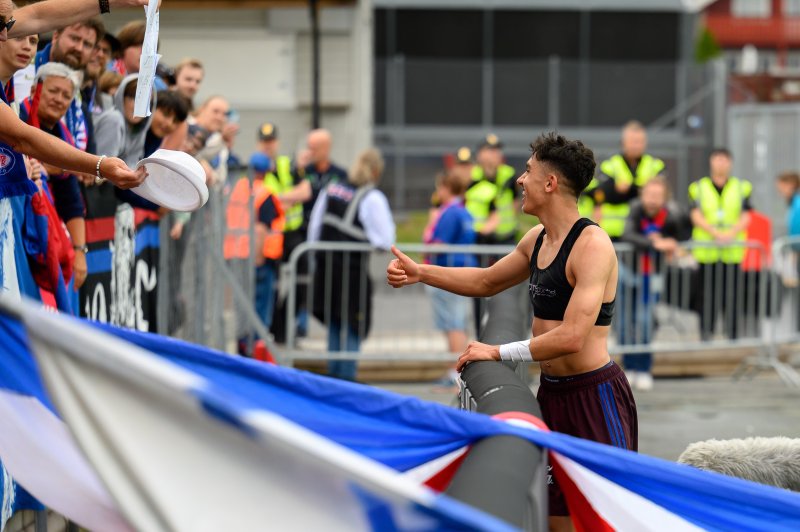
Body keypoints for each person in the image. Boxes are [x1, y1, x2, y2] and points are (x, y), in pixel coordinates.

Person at [387, 132, 636, 530]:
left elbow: (573, 336)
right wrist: (421, 273)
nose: (520, 180)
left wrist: (498, 352)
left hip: (594, 396)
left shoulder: (592, 245)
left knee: (606, 521)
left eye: (528, 171)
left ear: (550, 183)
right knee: (556, 522)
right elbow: (486, 281)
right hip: (553, 395)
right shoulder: (536, 239)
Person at [309, 148, 395, 381]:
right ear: (377, 171)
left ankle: (334, 377)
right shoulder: (372, 197)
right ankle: (346, 378)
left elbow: (314, 229)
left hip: (327, 268)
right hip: (352, 271)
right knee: (353, 323)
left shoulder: (332, 188)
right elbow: (385, 240)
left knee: (335, 321)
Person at [20, 63, 89, 301]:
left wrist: (79, 252)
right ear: (34, 90)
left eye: (66, 95)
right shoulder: (17, 119)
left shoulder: (64, 136)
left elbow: (71, 199)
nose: (59, 99)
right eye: (53, 91)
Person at [619, 177, 684, 391]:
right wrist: (655, 242)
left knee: (645, 322)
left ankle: (644, 368)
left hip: (652, 276)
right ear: (642, 195)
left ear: (665, 198)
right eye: (649, 195)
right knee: (624, 324)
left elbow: (680, 237)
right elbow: (627, 235)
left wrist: (672, 244)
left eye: (658, 196)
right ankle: (628, 367)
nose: (652, 200)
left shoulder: (671, 217)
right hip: (628, 272)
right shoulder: (635, 210)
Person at [224, 152, 285, 356]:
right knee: (258, 312)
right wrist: (258, 261)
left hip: (234, 256)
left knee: (242, 309)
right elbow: (260, 230)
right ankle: (254, 353)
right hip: (256, 259)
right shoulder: (264, 193)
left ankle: (244, 349)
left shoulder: (235, 189)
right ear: (266, 172)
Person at [688, 148, 752, 340]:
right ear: (711, 162)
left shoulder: (742, 187)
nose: (720, 163)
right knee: (706, 296)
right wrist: (715, 232)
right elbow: (695, 214)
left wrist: (731, 233)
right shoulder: (698, 187)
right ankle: (706, 335)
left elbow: (746, 214)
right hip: (707, 251)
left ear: (730, 163)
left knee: (732, 296)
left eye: (724, 160)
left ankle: (732, 337)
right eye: (717, 159)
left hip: (732, 251)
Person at [423, 171, 476, 388]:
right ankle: (456, 372)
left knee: (453, 323)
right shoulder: (464, 212)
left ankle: (453, 374)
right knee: (458, 323)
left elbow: (437, 243)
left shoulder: (449, 213)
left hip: (448, 272)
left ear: (446, 188)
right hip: (462, 270)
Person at [35, 17, 104, 153]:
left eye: (87, 45)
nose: (79, 48)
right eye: (74, 38)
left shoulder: (78, 92)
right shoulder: (23, 70)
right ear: (56, 36)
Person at [590, 121, 665, 240]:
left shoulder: (656, 165)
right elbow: (603, 193)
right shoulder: (610, 165)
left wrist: (627, 189)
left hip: (645, 232)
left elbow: (662, 195)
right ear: (623, 142)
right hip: (613, 231)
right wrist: (641, 190)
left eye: (639, 141)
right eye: (633, 141)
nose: (636, 145)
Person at [469, 133, 519, 246]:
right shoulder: (471, 177)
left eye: (498, 150)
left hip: (506, 237)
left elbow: (515, 203)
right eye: (491, 150)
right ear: (480, 154)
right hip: (478, 238)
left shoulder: (509, 175)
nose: (496, 154)